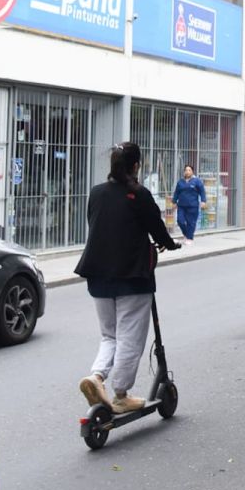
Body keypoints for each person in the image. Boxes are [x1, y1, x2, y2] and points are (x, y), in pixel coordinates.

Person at [75, 142, 178, 413]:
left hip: (97, 276)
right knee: (129, 337)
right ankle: (120, 395)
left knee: (109, 335)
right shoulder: (139, 194)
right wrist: (171, 244)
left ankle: (96, 377)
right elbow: (158, 230)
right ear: (136, 166)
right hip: (132, 277)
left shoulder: (96, 192)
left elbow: (96, 224)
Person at [173, 164, 207, 244]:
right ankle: (186, 234)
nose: (187, 172)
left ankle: (189, 238)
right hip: (181, 206)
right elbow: (176, 192)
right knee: (180, 221)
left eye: (189, 170)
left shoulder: (197, 181)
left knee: (191, 222)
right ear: (184, 172)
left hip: (192, 206)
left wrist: (203, 201)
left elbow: (202, 192)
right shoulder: (180, 182)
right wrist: (174, 202)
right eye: (186, 170)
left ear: (192, 172)